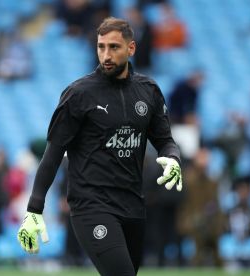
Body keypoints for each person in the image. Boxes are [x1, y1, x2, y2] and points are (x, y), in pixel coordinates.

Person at [17, 17, 183, 276]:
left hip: (133, 206)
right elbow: (53, 154)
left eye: (114, 47)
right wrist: (34, 210)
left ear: (131, 49)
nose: (106, 54)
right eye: (101, 46)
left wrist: (173, 159)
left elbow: (165, 141)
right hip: (92, 206)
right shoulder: (78, 94)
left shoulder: (148, 91)